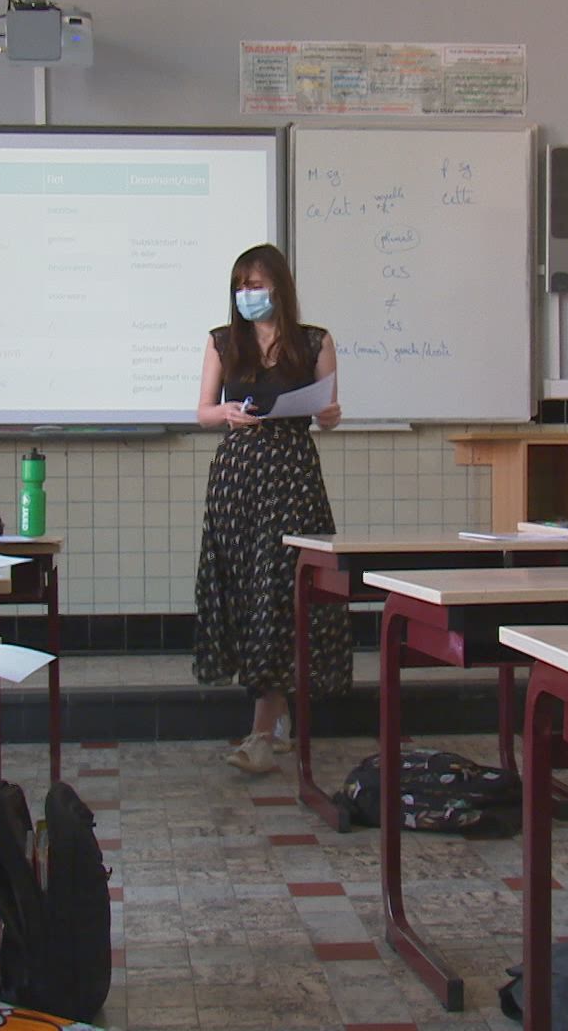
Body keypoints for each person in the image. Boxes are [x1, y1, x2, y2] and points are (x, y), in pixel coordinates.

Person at [193, 243, 351, 774]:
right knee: (246, 592)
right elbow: (202, 411)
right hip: (237, 478)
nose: (248, 295)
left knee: (281, 591)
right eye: (240, 286)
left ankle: (262, 732)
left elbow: (328, 412)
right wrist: (227, 412)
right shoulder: (223, 341)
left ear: (280, 286)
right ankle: (275, 720)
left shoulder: (314, 341)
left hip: (292, 476)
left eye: (256, 285)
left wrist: (329, 415)